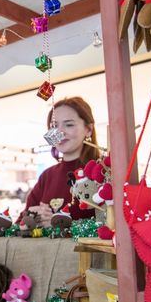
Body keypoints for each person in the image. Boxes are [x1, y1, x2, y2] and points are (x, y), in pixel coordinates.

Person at [16, 97, 99, 227]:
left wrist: (60, 225)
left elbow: (111, 226)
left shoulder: (101, 173)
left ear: (88, 129)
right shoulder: (47, 176)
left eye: (69, 124)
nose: (59, 132)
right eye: (54, 126)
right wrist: (31, 217)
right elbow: (17, 225)